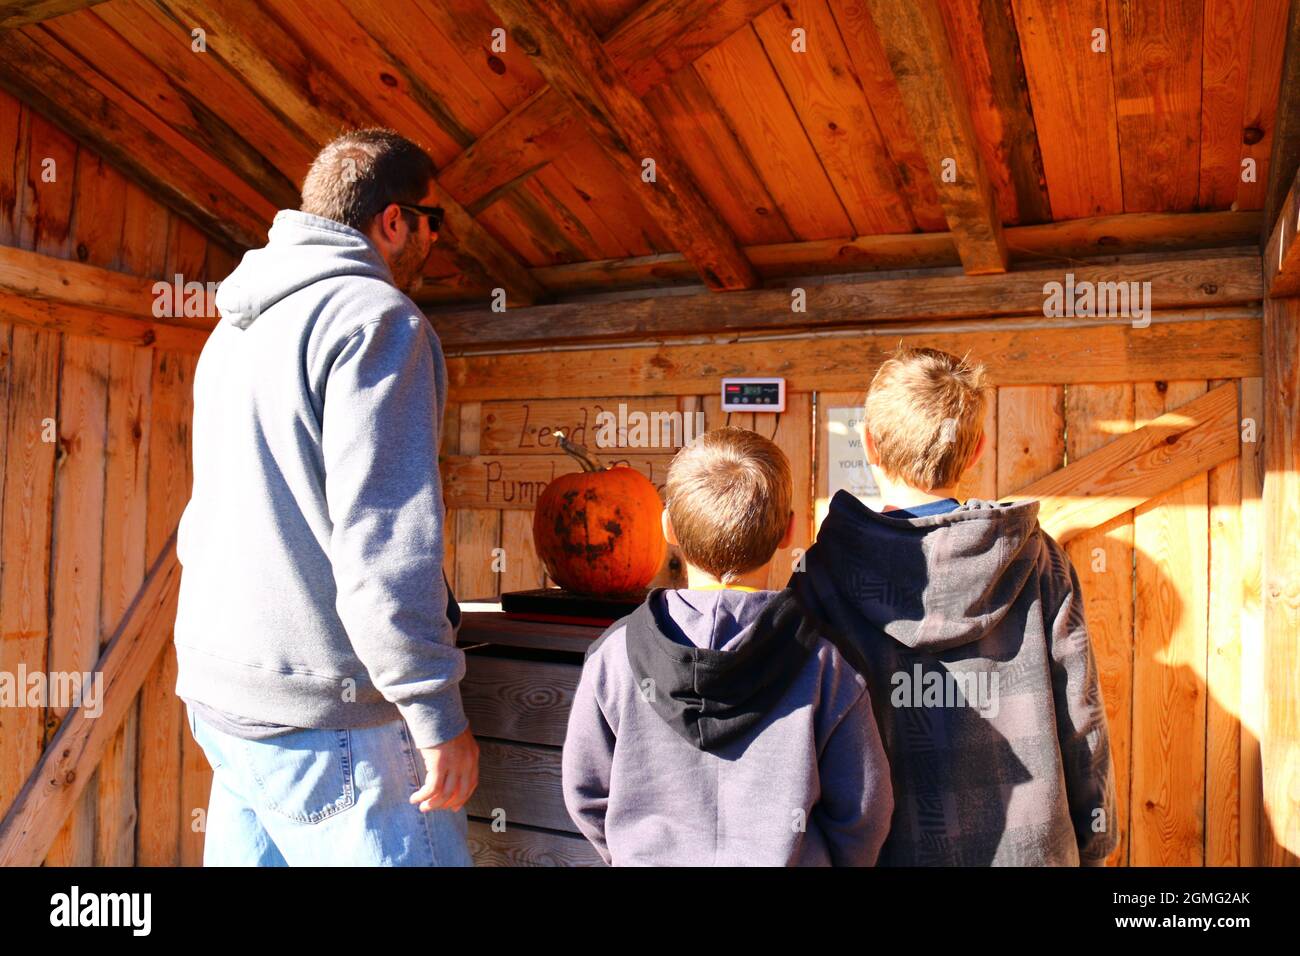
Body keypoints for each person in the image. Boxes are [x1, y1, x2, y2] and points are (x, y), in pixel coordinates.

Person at [175, 128, 477, 866]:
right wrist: (437, 715)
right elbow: (384, 544)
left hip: (226, 699)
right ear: (394, 220)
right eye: (433, 221)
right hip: (335, 722)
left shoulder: (236, 327)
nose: (435, 240)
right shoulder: (380, 322)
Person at [791, 346, 1118, 865]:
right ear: (976, 449)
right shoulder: (1039, 559)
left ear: (869, 445)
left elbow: (796, 741)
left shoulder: (820, 576)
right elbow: (1082, 714)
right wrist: (1096, 843)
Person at [562, 427, 893, 865]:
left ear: (667, 527)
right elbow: (864, 812)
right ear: (788, 530)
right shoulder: (825, 666)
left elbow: (585, 791)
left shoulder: (614, 657)